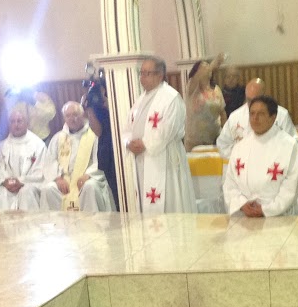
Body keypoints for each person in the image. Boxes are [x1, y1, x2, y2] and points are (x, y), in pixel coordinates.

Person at [124, 56, 195, 214]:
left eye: (147, 73)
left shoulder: (171, 98)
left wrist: (144, 143)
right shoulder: (140, 100)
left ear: (160, 74)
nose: (142, 77)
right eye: (141, 73)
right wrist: (128, 143)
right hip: (142, 160)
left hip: (164, 160)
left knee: (170, 204)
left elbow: (168, 130)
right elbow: (127, 128)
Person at [223, 95, 298, 217]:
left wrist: (267, 209)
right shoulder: (240, 146)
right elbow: (230, 182)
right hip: (246, 215)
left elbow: (291, 186)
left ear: (273, 117)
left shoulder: (289, 146)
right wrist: (241, 204)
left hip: (279, 216)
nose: (255, 118)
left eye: (261, 114)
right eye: (252, 114)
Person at [41, 101, 114, 212]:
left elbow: (99, 160)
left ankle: (91, 222)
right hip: (64, 181)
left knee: (89, 187)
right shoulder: (58, 138)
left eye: (75, 114)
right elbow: (50, 161)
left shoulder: (93, 134)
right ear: (64, 118)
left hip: (86, 178)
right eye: (68, 116)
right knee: (49, 189)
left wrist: (88, 175)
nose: (72, 119)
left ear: (83, 114)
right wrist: (58, 178)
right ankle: (59, 222)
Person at [0, 103, 46, 211]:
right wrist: (5, 182)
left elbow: (39, 172)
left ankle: (29, 222)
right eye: (12, 121)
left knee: (25, 193)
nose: (16, 124)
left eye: (19, 121)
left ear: (27, 123)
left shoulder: (38, 145)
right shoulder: (2, 146)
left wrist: (21, 181)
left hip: (29, 186)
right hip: (7, 187)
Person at [216, 78, 298, 159]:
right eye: (249, 100)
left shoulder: (281, 115)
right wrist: (241, 155)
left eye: (256, 100)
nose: (252, 104)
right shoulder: (235, 117)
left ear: (264, 95)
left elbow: (293, 143)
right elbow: (223, 144)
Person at [82, 73, 119, 207]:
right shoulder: (95, 102)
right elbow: (98, 131)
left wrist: (107, 103)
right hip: (106, 150)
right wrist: (89, 109)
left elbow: (120, 120)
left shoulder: (117, 97)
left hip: (119, 146)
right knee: (114, 193)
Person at [184, 55, 228, 151]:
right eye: (203, 68)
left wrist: (225, 132)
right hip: (195, 141)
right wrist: (212, 66)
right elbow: (197, 78)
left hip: (214, 138)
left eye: (207, 66)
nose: (207, 69)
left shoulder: (216, 89)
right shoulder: (192, 88)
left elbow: (222, 112)